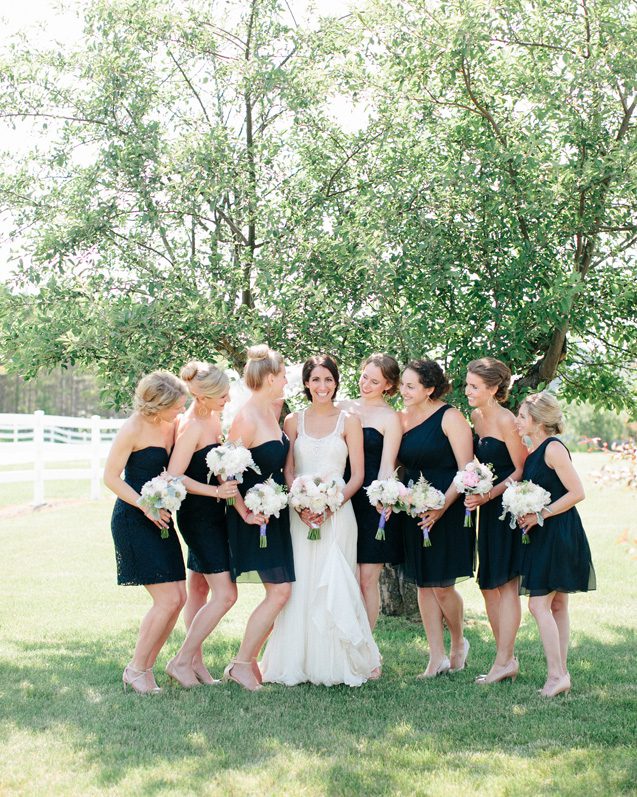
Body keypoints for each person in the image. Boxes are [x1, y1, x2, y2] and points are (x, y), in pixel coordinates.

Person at [260, 354, 381, 686]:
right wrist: (298, 504)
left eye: (328, 379)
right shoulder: (292, 421)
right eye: (315, 379)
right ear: (306, 384)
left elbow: (356, 475)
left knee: (337, 583)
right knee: (301, 586)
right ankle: (296, 661)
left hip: (339, 515)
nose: (322, 386)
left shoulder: (349, 421)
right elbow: (288, 470)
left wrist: (331, 504)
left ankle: (341, 661)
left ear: (336, 382)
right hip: (299, 515)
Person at [104, 371, 188, 694]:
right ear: (158, 404)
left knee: (178, 598)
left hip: (162, 519)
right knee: (166, 599)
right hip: (133, 518)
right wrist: (145, 505)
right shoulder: (133, 428)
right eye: (176, 407)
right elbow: (111, 478)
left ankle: (145, 669)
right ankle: (136, 669)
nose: (180, 411)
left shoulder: (171, 425)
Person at [223, 345, 296, 692]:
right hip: (254, 519)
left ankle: (248, 661)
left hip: (274, 515)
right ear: (270, 378)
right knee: (280, 591)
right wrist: (245, 512)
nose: (286, 380)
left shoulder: (271, 411)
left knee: (282, 592)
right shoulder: (246, 417)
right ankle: (240, 664)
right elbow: (227, 473)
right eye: (283, 374)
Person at [162, 361, 239, 688]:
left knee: (200, 589)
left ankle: (196, 664)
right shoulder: (191, 425)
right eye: (221, 394)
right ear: (203, 396)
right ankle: (180, 660)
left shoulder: (213, 417)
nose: (228, 399)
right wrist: (216, 490)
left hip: (214, 513)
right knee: (226, 595)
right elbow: (174, 475)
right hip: (197, 516)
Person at [515, 392, 596, 697]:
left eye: (522, 416)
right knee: (558, 604)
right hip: (545, 531)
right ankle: (561, 672)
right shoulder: (535, 448)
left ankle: (556, 675)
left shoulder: (553, 449)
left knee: (539, 605)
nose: (517, 421)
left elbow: (577, 492)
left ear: (537, 421)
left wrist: (541, 514)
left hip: (558, 531)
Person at [398, 360, 474, 677]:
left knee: (442, 586)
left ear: (429, 389)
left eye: (410, 386)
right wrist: (402, 497)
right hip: (414, 508)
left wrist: (441, 507)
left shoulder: (450, 417)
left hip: (449, 508)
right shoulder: (400, 419)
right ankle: (436, 656)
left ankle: (458, 642)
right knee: (423, 583)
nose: (403, 390)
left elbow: (467, 469)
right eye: (402, 384)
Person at [464, 358, 527, 685]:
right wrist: (474, 483)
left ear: (493, 389)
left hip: (507, 508)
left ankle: (503, 661)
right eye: (467, 384)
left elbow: (519, 468)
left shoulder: (506, 420)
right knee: (488, 585)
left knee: (506, 586)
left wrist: (488, 495)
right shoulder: (476, 416)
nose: (468, 391)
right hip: (486, 508)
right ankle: (507, 658)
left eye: (474, 386)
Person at [338, 353, 403, 631]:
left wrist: (384, 498)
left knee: (366, 579)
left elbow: (388, 465)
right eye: (365, 376)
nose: (366, 384)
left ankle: (366, 647)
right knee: (344, 574)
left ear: (388, 385)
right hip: (339, 497)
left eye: (374, 381)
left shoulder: (390, 418)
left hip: (371, 503)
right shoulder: (341, 407)